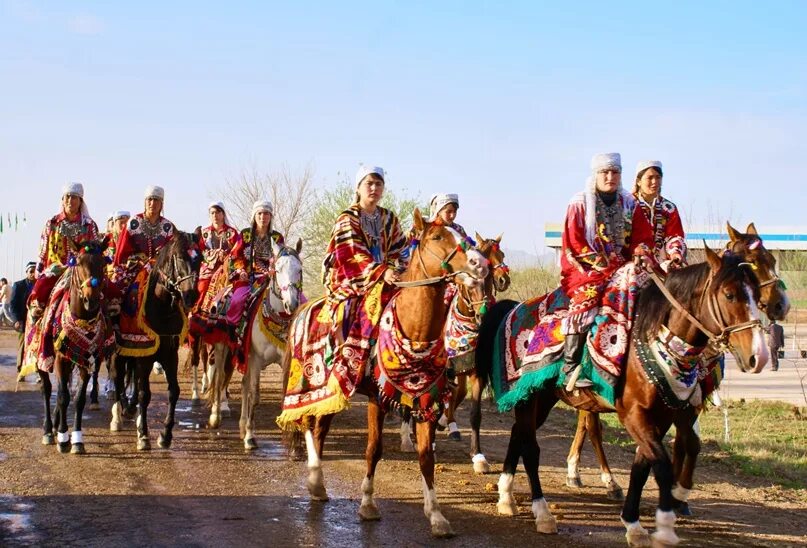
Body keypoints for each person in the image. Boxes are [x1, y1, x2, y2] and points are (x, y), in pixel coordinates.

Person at [560, 153, 653, 389]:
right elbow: (574, 242)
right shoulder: (580, 202)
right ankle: (570, 366)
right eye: (605, 172)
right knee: (586, 299)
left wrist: (640, 254)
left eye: (615, 172)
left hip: (622, 265)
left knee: (651, 289)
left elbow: (642, 238)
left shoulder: (630, 204)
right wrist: (603, 263)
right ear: (595, 175)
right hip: (586, 266)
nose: (610, 177)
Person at [111, 186, 176, 355]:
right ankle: (113, 329)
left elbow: (172, 254)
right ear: (145, 202)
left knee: (179, 294)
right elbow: (122, 253)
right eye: (149, 200)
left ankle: (175, 333)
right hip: (134, 267)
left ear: (162, 203)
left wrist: (159, 263)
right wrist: (138, 260)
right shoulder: (134, 223)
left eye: (156, 200)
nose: (152, 204)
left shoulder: (168, 227)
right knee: (116, 292)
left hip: (160, 271)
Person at [29, 182, 100, 316]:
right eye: (67, 197)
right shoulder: (52, 223)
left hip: (83, 271)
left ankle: (112, 327)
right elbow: (43, 250)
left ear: (80, 201)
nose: (70, 201)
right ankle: (36, 328)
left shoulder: (90, 225)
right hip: (57, 268)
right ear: (62, 200)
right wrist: (39, 269)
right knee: (39, 291)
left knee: (107, 293)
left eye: (74, 197)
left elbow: (96, 250)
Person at [225, 200, 284, 324]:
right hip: (249, 279)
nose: (263, 217)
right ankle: (233, 333)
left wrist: (276, 269)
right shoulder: (246, 234)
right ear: (254, 216)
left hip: (272, 279)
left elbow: (282, 258)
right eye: (260, 214)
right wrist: (240, 271)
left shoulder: (277, 237)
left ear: (271, 216)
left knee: (300, 299)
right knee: (237, 301)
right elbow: (235, 255)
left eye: (267, 214)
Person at [633, 160, 686, 269]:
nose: (654, 182)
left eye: (658, 177)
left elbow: (674, 235)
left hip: (663, 261)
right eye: (650, 177)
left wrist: (675, 252)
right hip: (636, 259)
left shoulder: (668, 208)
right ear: (638, 181)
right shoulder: (628, 204)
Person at [194, 201, 239, 314]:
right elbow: (201, 250)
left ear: (223, 214)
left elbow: (237, 250)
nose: (215, 216)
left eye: (218, 212)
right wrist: (215, 254)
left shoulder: (232, 233)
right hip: (208, 269)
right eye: (212, 213)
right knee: (202, 288)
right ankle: (197, 314)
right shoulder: (205, 233)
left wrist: (226, 256)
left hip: (227, 269)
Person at [9, 263, 36, 374]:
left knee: (37, 345)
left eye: (35, 271)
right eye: (31, 271)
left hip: (37, 321)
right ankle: (20, 368)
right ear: (26, 272)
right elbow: (13, 304)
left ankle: (38, 371)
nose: (33, 274)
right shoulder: (18, 285)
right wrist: (16, 320)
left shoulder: (40, 285)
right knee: (23, 344)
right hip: (23, 321)